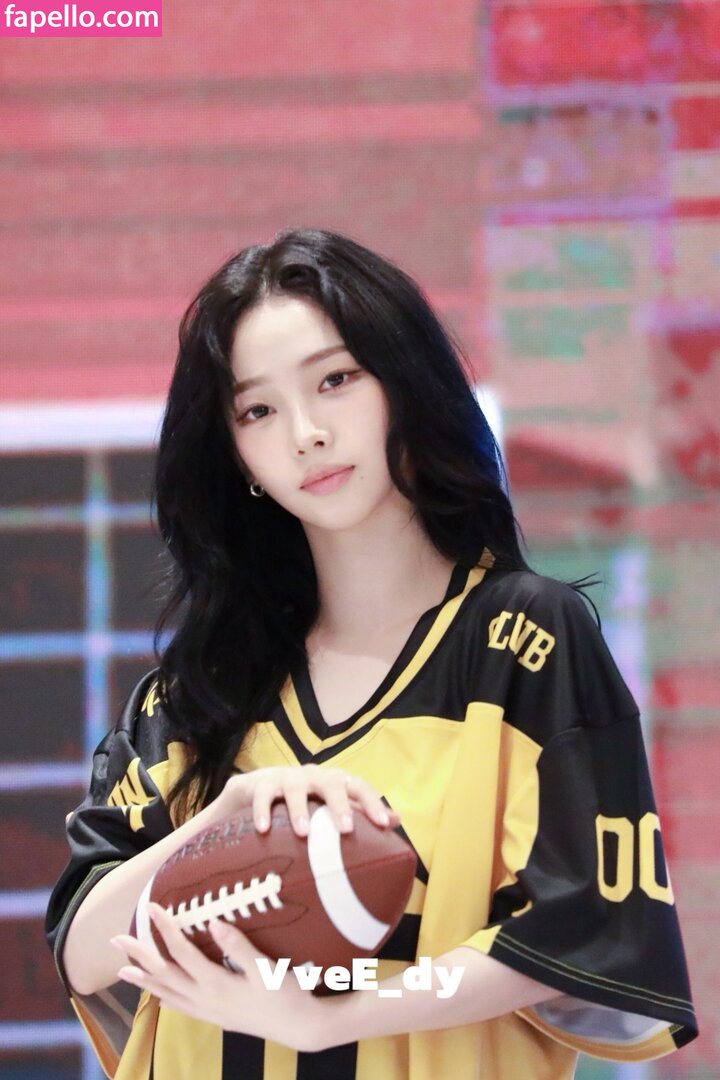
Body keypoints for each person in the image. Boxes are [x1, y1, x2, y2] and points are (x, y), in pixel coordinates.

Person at [46, 228, 697, 1080]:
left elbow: (592, 926)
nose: (306, 433)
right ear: (237, 455)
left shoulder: (524, 639)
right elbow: (82, 952)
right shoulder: (195, 691)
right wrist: (216, 825)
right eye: (257, 410)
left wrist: (342, 1015)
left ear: (403, 384)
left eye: (336, 380)